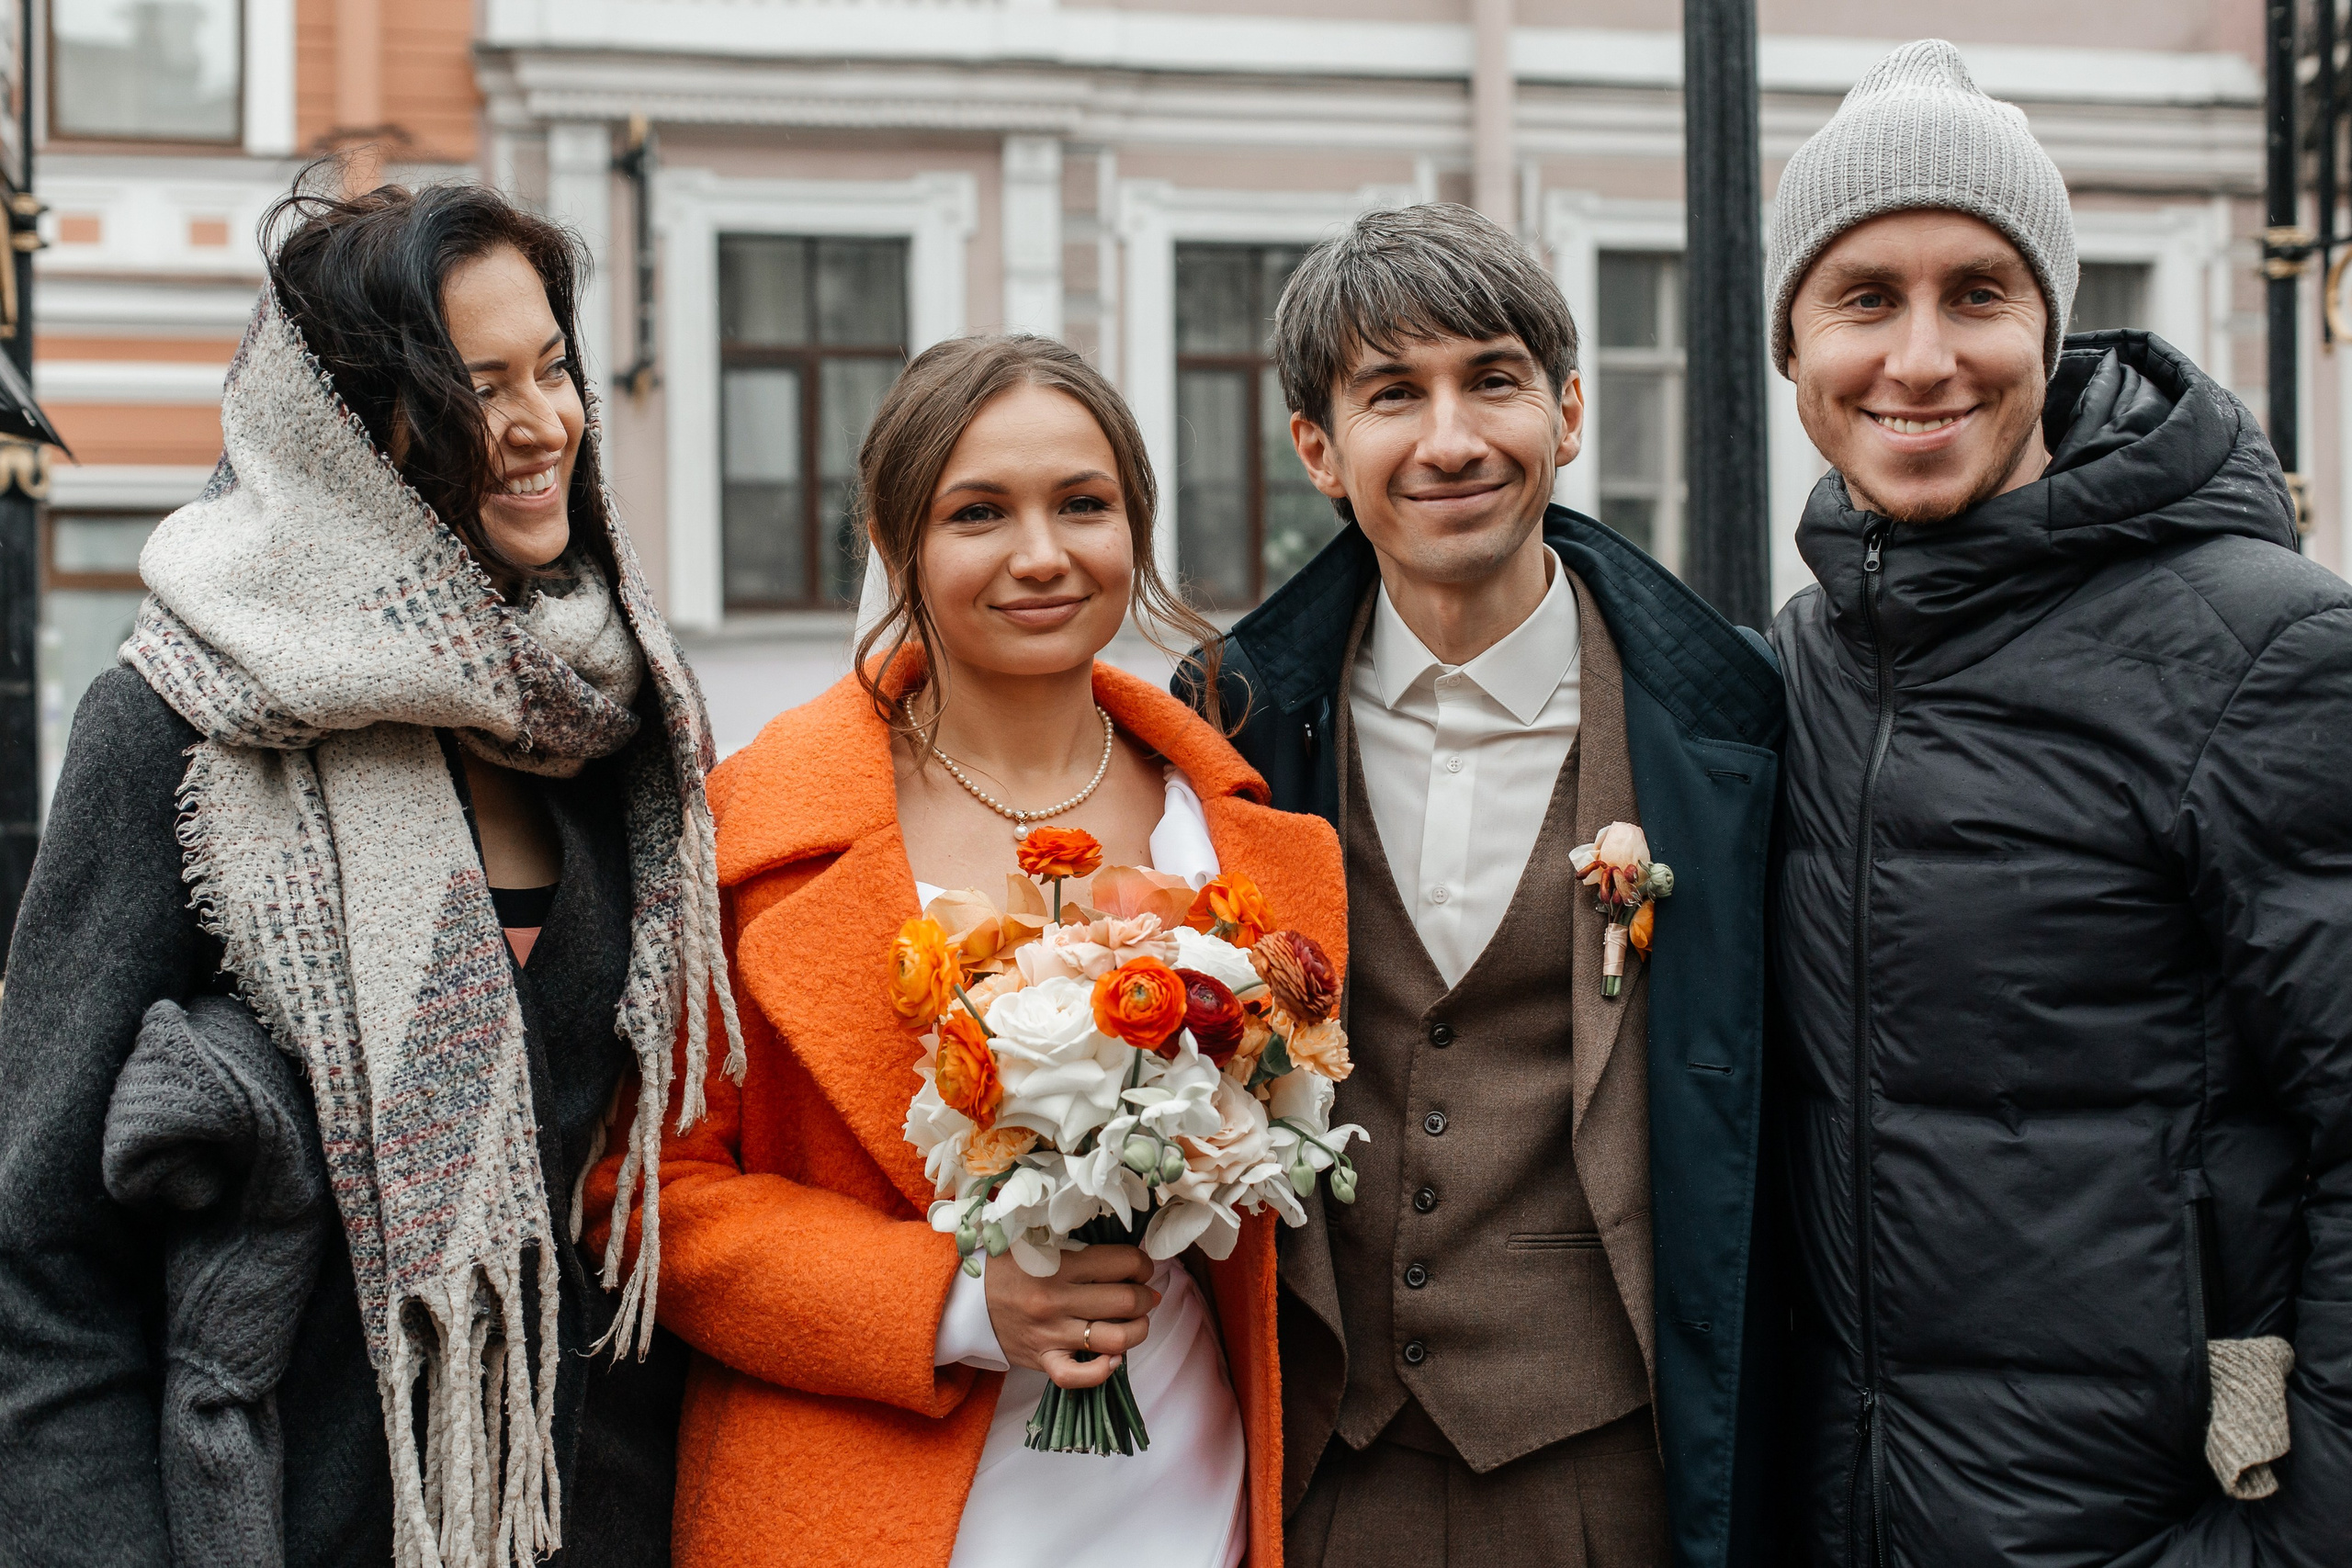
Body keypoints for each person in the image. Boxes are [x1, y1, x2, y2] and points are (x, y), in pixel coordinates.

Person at [0, 179, 735, 1568]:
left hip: (601, 1515)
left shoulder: (622, 724)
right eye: (475, 390)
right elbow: (42, 1254)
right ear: (341, 432)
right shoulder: (185, 718)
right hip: (285, 1517)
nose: (539, 428)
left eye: (553, 368)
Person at [582, 333, 1342, 1568]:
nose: (1041, 555)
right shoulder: (751, 833)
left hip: (1182, 1486)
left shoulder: (1246, 835)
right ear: (898, 544)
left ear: (1135, 528)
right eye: (979, 511)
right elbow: (646, 1198)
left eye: (1082, 506)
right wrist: (952, 1302)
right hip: (850, 1496)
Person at [1767, 39, 2352, 1567]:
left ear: (2051, 321)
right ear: (1792, 347)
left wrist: (2296, 1544)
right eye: (1863, 298)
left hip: (2148, 1527)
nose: (1919, 359)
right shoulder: (1805, 657)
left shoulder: (2263, 646)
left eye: (1978, 292)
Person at [1181, 202, 1786, 1568]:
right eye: (1394, 395)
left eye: (1493, 380)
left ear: (1568, 413)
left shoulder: (1731, 724)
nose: (1449, 440)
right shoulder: (1233, 729)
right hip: (1319, 1473)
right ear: (1320, 452)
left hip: (1610, 1473)